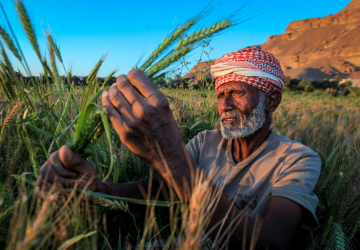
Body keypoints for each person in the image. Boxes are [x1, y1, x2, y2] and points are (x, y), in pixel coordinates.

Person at [36, 48, 321, 249]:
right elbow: (159, 189)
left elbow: (270, 243)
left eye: (236, 93)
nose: (224, 105)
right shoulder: (206, 141)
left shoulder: (298, 159)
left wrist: (171, 155)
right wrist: (95, 190)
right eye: (221, 95)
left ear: (271, 101)